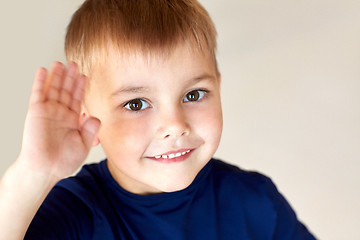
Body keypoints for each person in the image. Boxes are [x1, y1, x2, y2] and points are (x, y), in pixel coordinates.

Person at [0, 0, 317, 239]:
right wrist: (34, 172)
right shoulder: (72, 213)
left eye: (193, 95)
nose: (175, 124)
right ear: (85, 117)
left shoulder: (255, 201)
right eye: (136, 103)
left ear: (218, 87)